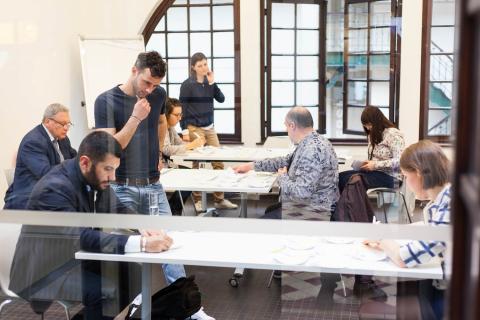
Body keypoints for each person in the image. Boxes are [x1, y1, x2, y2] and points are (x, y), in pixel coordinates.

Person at [9, 131, 211, 319]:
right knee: (104, 292)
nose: (113, 177)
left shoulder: (91, 175)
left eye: (114, 169)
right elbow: (79, 238)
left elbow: (118, 208)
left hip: (73, 257)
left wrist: (142, 225)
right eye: (108, 169)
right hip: (46, 269)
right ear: (85, 162)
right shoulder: (54, 188)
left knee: (134, 276)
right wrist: (141, 244)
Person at [94, 51, 214, 319]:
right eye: (147, 83)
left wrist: (159, 151)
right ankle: (134, 303)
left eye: (155, 85)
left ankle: (189, 308)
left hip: (152, 184)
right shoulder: (105, 101)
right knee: (130, 249)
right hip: (121, 187)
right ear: (134, 70)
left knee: (170, 245)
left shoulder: (158, 96)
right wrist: (135, 117)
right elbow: (109, 149)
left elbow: (161, 120)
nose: (150, 90)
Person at [364, 140, 451, 319]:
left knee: (412, 296)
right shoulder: (444, 198)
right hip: (447, 281)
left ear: (418, 174)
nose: (406, 182)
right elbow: (430, 228)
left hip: (455, 293)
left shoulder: (450, 205)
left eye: (405, 175)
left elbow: (405, 258)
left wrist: (381, 238)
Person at [233, 106, 339, 220]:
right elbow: (284, 161)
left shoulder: (311, 150)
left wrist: (282, 177)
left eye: (286, 126)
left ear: (292, 126)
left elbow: (301, 194)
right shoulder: (314, 141)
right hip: (312, 205)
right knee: (270, 210)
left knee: (262, 223)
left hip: (314, 211)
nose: (286, 131)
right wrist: (251, 166)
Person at [179, 52, 237, 212]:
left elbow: (221, 99)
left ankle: (219, 199)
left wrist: (213, 82)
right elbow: (182, 108)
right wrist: (184, 131)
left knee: (218, 162)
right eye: (200, 65)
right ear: (193, 67)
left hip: (209, 127)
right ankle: (198, 200)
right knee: (198, 163)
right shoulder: (187, 85)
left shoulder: (209, 82)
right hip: (193, 127)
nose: (204, 67)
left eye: (205, 64)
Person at [4, 103, 77, 209]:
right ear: (48, 121)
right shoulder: (33, 142)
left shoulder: (63, 139)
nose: (66, 128)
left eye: (68, 124)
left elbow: (74, 159)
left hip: (51, 194)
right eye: (62, 124)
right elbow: (46, 173)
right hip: (29, 199)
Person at [338, 106, 405, 192]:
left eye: (369, 124)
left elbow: (400, 161)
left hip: (391, 176)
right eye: (365, 125)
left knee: (352, 180)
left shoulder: (394, 134)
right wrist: (366, 163)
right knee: (340, 177)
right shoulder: (373, 134)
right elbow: (375, 159)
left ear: (377, 121)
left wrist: (375, 165)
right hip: (375, 172)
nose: (368, 128)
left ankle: (352, 205)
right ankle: (341, 204)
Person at [162, 97, 205, 215]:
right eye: (176, 115)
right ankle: (174, 208)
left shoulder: (171, 127)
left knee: (193, 175)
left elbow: (179, 143)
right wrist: (190, 145)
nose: (179, 118)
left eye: (180, 115)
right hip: (161, 167)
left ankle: (174, 208)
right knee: (191, 176)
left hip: (168, 165)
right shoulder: (161, 127)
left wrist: (193, 145)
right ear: (166, 114)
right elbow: (166, 149)